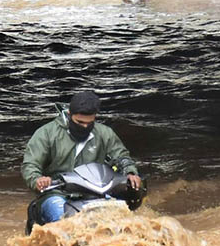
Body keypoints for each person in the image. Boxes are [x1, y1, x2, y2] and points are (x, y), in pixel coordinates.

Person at [21, 90, 142, 223]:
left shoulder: (104, 133)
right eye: (79, 122)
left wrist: (130, 173)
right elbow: (30, 165)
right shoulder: (46, 134)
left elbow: (121, 156)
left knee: (122, 219)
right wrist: (37, 179)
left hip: (96, 193)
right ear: (69, 114)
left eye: (89, 123)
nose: (84, 127)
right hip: (57, 193)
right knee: (62, 221)